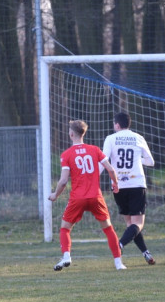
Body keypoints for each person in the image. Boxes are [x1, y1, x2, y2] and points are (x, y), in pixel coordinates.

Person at [48, 119, 124, 271]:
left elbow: (63, 181)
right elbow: (110, 169)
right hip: (95, 196)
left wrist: (55, 195)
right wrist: (115, 184)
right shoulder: (94, 149)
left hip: (78, 198)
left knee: (65, 228)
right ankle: (118, 263)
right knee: (108, 228)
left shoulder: (67, 154)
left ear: (71, 134)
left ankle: (67, 256)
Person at [101, 111, 156, 265]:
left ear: (117, 125)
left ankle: (146, 253)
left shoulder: (110, 139)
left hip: (118, 185)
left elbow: (104, 160)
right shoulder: (138, 137)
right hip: (136, 184)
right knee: (138, 224)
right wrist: (137, 160)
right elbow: (150, 161)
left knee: (130, 224)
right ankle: (120, 245)